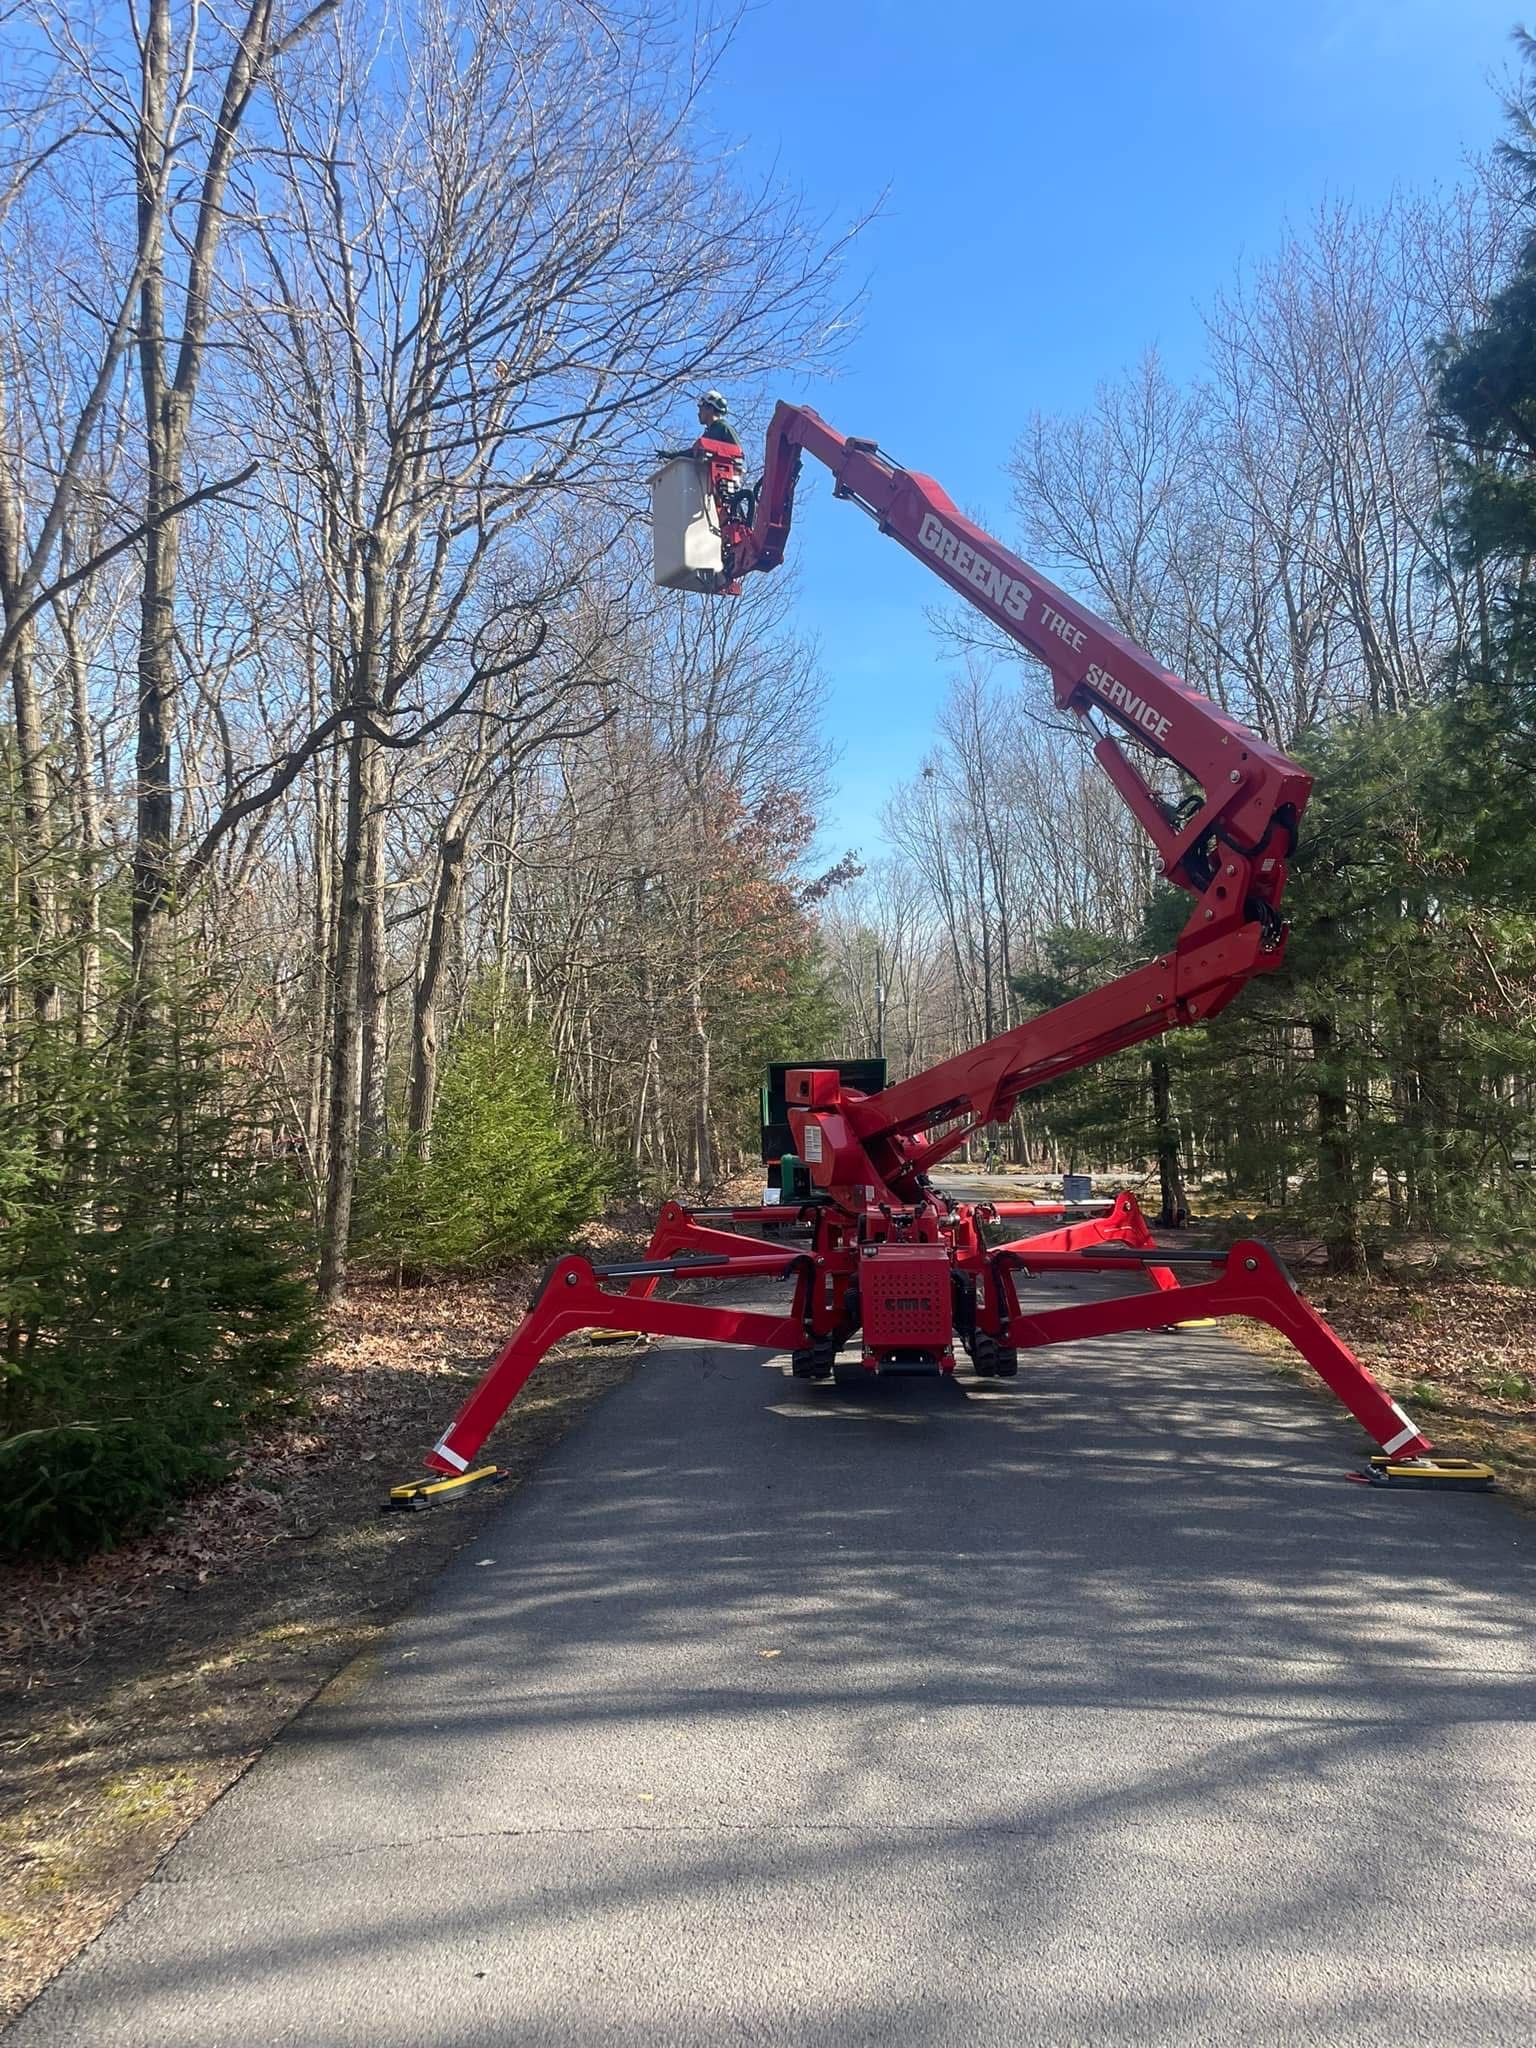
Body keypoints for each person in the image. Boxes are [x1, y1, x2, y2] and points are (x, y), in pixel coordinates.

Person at [659, 388, 742, 460]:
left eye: (701, 410)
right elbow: (692, 453)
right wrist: (672, 455)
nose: (698, 414)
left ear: (710, 408)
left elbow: (738, 454)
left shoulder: (723, 428)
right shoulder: (708, 434)